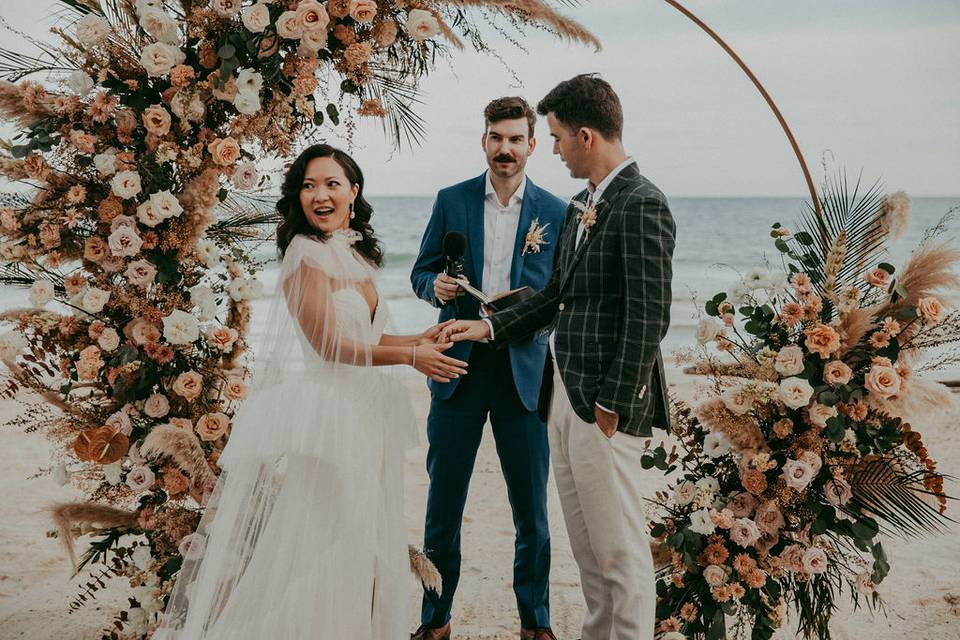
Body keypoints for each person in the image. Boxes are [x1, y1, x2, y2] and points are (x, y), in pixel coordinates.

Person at [154, 144, 466, 639]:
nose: (320, 195)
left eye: (331, 183)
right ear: (297, 197)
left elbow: (366, 338)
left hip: (367, 414)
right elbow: (328, 345)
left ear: (353, 191)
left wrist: (420, 339)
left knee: (362, 539)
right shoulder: (305, 256)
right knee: (330, 539)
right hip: (330, 420)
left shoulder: (352, 255)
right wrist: (410, 358)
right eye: (308, 185)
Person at [440, 75, 676, 640]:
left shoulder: (642, 204)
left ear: (586, 136)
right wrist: (489, 326)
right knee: (588, 548)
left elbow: (649, 317)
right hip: (564, 397)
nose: (553, 148)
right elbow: (554, 298)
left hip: (606, 407)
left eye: (556, 137)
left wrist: (613, 405)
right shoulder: (579, 205)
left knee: (619, 549)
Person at [409, 97, 567, 640]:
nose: (505, 148)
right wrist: (437, 287)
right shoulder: (451, 201)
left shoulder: (556, 210)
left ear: (532, 144)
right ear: (484, 141)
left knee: (531, 510)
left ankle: (536, 623)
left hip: (524, 374)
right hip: (456, 369)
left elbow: (557, 295)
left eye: (516, 138)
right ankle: (436, 619)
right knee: (443, 502)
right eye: (496, 137)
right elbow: (420, 272)